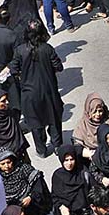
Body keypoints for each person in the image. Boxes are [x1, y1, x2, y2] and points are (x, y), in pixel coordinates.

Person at [9, 19, 65, 158]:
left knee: (35, 123)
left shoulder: (20, 50)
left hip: (29, 93)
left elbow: (14, 69)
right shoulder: (47, 49)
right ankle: (57, 145)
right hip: (49, 90)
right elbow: (58, 66)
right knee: (54, 118)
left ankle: (41, 149)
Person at [73, 93, 109, 161]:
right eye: (94, 111)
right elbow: (77, 148)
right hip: (90, 161)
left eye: (100, 111)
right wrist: (92, 155)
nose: (98, 114)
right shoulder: (82, 126)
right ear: (88, 111)